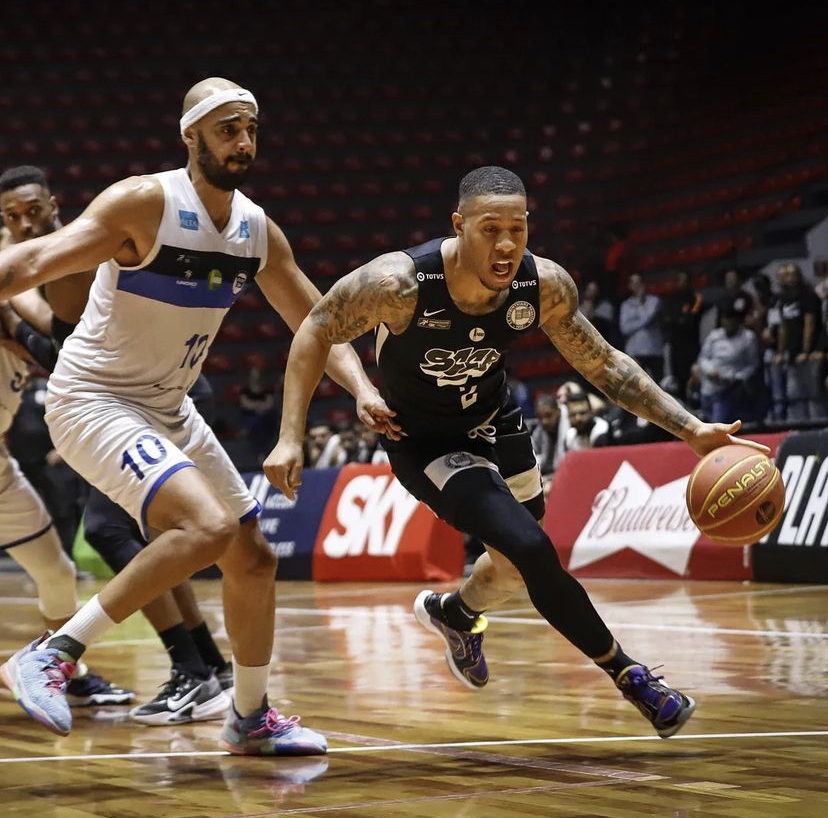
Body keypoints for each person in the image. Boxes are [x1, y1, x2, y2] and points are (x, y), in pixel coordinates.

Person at [265, 165, 769, 739]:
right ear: (458, 226)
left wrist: (690, 429)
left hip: (496, 421)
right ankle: (629, 675)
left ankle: (455, 613)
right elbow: (315, 328)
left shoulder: (542, 285)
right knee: (530, 548)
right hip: (427, 443)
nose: (506, 244)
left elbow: (604, 364)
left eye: (518, 229)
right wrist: (291, 435)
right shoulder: (399, 284)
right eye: (490, 229)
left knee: (509, 570)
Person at [0, 77, 397, 754]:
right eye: (226, 129)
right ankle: (52, 654)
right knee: (206, 526)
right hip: (94, 398)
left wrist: (361, 388)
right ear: (190, 136)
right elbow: (34, 260)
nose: (242, 142)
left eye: (250, 129)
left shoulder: (255, 230)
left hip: (168, 406)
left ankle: (248, 717)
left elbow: (316, 321)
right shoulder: (144, 202)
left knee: (254, 556)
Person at [0, 164, 236, 725]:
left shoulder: (85, 243)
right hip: (134, 396)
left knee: (109, 530)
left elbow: (49, 341)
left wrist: (10, 317)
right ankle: (209, 667)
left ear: (54, 203)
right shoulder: (46, 260)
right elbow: (45, 327)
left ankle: (192, 673)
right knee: (156, 535)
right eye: (13, 217)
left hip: (145, 396)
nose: (27, 222)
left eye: (34, 210)